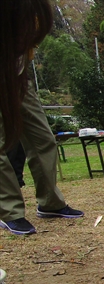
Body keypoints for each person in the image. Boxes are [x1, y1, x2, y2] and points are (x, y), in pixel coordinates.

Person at [0, 0, 84, 236]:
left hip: (18, 77)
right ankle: (10, 212)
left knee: (43, 139)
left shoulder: (25, 18)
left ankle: (50, 203)